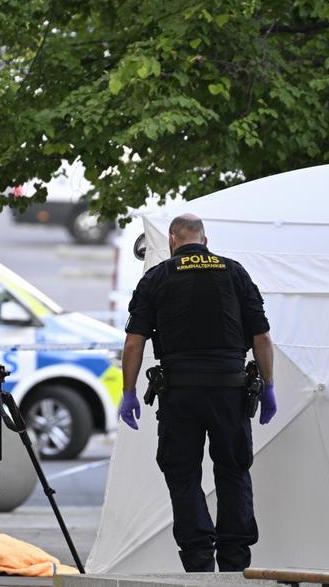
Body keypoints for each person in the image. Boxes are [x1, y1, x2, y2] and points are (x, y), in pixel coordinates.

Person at [117, 214, 277, 573]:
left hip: (180, 393)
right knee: (233, 471)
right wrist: (269, 387)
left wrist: (128, 391)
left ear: (173, 240)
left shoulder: (156, 277)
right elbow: (262, 338)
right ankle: (236, 563)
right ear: (204, 240)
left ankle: (198, 559)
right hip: (230, 391)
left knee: (183, 472)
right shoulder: (234, 273)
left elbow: (134, 342)